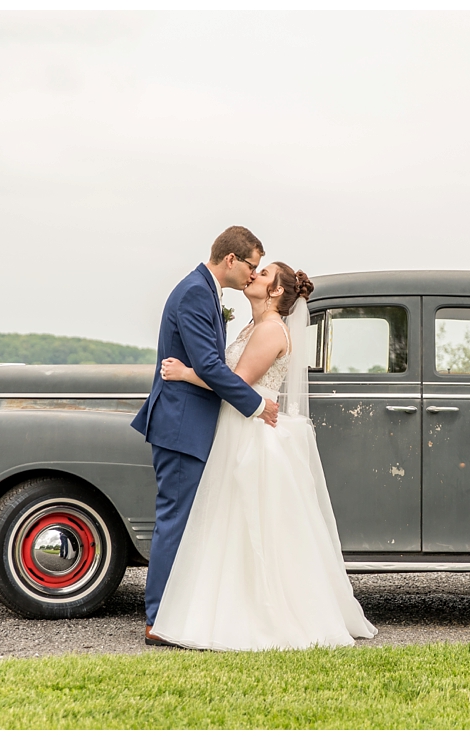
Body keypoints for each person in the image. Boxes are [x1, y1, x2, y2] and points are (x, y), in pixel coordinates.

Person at [149, 262, 377, 650]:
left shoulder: (271, 329)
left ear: (274, 291)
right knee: (226, 521)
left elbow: (235, 382)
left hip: (250, 431)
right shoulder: (254, 326)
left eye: (263, 272)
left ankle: (256, 613)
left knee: (249, 523)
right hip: (238, 425)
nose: (254, 275)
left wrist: (187, 374)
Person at [130, 226, 280, 647]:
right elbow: (212, 367)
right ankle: (158, 620)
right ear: (231, 260)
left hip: (190, 422)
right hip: (181, 425)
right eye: (252, 265)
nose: (253, 275)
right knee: (175, 521)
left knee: (185, 519)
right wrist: (254, 404)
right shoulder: (196, 292)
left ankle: (174, 610)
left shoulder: (203, 290)